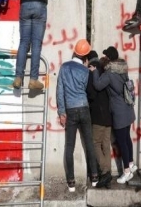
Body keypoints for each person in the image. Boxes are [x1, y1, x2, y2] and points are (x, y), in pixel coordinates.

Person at [10, 0, 59, 90]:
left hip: (25, 5)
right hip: (39, 5)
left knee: (24, 42)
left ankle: (18, 77)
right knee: (36, 44)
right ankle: (33, 79)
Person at [89, 46, 138, 184]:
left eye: (105, 56)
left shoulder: (110, 73)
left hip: (119, 111)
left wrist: (94, 72)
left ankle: (127, 172)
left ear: (109, 58)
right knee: (127, 139)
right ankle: (131, 164)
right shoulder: (123, 69)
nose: (104, 58)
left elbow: (98, 85)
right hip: (128, 108)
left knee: (122, 142)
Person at [56, 39, 99, 192]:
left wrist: (62, 112)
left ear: (74, 52)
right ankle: (94, 177)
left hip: (71, 110)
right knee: (89, 143)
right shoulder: (86, 71)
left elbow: (60, 91)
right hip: (84, 108)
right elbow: (89, 91)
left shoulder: (64, 68)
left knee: (69, 147)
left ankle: (71, 182)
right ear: (85, 56)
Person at [86, 51, 113, 188]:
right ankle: (108, 171)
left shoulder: (91, 71)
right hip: (109, 115)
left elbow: (91, 93)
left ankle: (105, 171)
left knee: (95, 143)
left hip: (98, 115)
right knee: (106, 145)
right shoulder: (105, 70)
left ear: (87, 60)